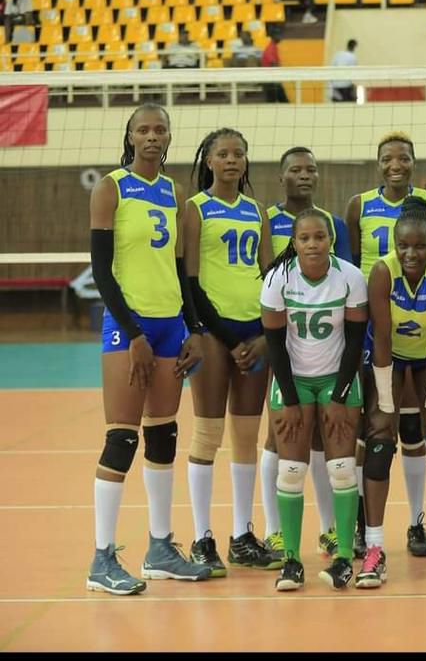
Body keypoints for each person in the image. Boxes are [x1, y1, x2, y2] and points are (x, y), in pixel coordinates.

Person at [86, 103, 212, 595]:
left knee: (163, 437)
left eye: (160, 129)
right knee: (122, 438)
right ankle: (101, 558)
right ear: (131, 136)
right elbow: (100, 270)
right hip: (129, 328)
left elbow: (181, 271)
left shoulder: (173, 192)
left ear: (169, 137)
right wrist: (133, 333)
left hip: (171, 328)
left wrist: (193, 329)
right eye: (144, 129)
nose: (153, 136)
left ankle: (160, 548)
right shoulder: (111, 187)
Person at [345, 132, 426, 559]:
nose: (395, 164)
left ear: (413, 161)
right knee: (370, 428)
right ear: (378, 163)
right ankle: (360, 525)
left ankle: (415, 523)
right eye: (387, 158)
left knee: (412, 427)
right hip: (373, 330)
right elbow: (354, 267)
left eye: (403, 157)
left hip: (418, 324)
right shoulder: (359, 205)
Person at [183, 128, 279, 576]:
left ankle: (242, 534)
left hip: (253, 329)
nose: (232, 160)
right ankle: (203, 538)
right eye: (223, 154)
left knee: (246, 436)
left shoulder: (257, 211)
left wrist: (261, 333)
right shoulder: (196, 209)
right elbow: (191, 280)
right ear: (208, 162)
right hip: (213, 331)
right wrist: (221, 334)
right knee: (207, 434)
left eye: (239, 153)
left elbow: (268, 275)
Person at [359, 198, 426, 588]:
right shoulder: (381, 272)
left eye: (419, 246)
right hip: (389, 358)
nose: (411, 253)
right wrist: (386, 404)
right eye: (403, 245)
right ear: (393, 242)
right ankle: (373, 549)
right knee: (379, 442)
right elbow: (383, 337)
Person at [260, 209, 367, 591]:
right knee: (290, 472)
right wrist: (289, 399)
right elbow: (274, 345)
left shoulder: (350, 277)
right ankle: (291, 560)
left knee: (341, 467)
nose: (312, 244)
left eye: (319, 236)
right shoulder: (278, 279)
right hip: (294, 381)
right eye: (304, 238)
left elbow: (355, 341)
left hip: (337, 377)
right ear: (294, 242)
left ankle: (342, 560)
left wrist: (339, 395)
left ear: (330, 239)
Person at [262, 146, 353, 562]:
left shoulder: (334, 226)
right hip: (284, 346)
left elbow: (345, 287)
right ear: (281, 177)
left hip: (330, 358)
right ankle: (275, 531)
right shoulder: (268, 220)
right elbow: (266, 281)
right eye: (295, 169)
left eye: (311, 169)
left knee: (328, 442)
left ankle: (332, 531)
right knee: (281, 440)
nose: (304, 175)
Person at [262, 29, 288, 104]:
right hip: (271, 80)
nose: (281, 37)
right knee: (281, 101)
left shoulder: (273, 47)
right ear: (273, 37)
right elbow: (273, 63)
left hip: (272, 78)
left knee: (274, 101)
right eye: (278, 35)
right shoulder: (271, 48)